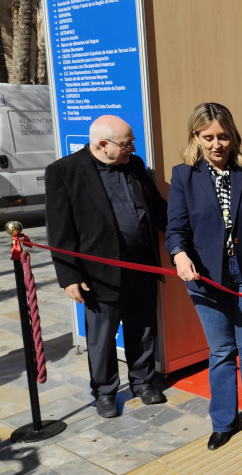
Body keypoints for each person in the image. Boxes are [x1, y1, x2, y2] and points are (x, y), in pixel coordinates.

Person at [166, 102, 242, 451]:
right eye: (208, 137)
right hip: (206, 277)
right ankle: (224, 421)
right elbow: (176, 228)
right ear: (195, 137)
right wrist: (179, 253)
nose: (217, 145)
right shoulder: (184, 175)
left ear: (233, 136)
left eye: (224, 137)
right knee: (219, 351)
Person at [45, 115, 168, 419]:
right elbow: (60, 230)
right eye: (126, 143)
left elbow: (155, 209)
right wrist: (69, 276)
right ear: (103, 144)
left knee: (143, 327)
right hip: (98, 273)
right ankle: (104, 392)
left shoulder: (134, 165)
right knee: (102, 335)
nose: (132, 147)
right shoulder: (64, 172)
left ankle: (142, 381)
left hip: (141, 264)